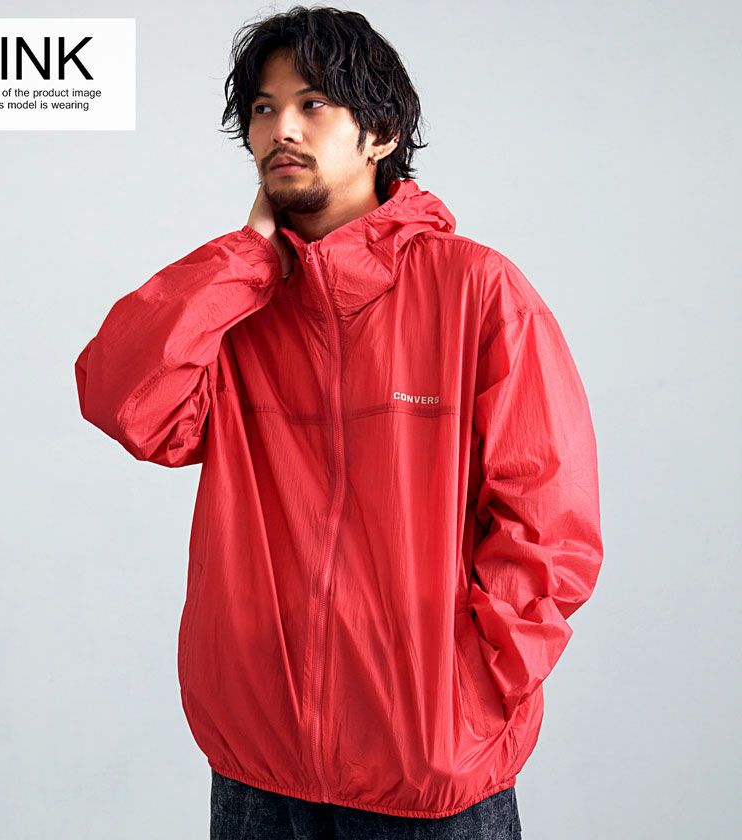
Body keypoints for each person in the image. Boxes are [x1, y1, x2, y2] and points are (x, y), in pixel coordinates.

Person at [74, 6, 603, 838]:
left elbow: (549, 523)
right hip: (259, 766)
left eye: (312, 103)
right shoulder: (238, 307)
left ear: (381, 133)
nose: (281, 128)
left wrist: (469, 696)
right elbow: (124, 402)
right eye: (263, 108)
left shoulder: (477, 291)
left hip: (427, 769)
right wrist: (245, 259)